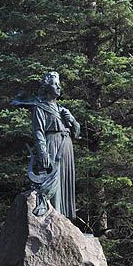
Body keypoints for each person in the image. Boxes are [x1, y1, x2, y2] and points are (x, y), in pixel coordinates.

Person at [12, 72, 80, 220]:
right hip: (52, 145)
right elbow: (38, 131)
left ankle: (64, 219)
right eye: (55, 84)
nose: (58, 87)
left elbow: (77, 133)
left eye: (59, 84)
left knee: (64, 181)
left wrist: (73, 121)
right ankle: (50, 216)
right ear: (47, 88)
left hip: (66, 146)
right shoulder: (40, 108)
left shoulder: (62, 110)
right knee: (52, 181)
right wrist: (42, 152)